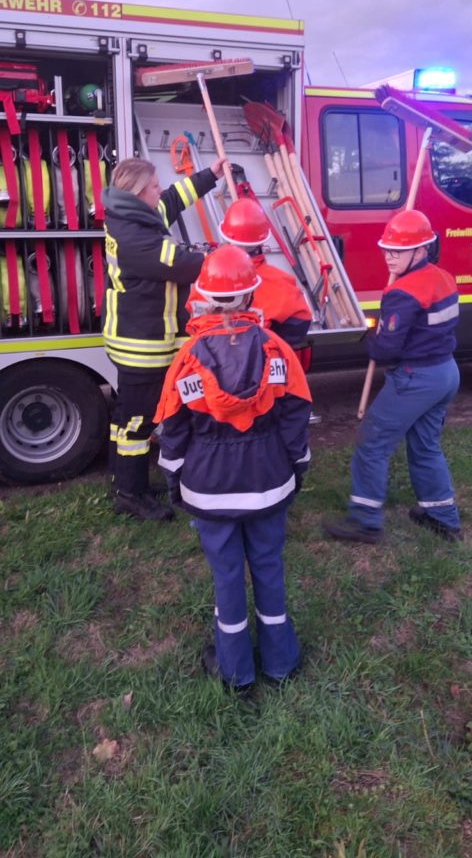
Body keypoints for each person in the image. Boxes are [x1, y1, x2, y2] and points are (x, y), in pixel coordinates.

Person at [155, 244, 312, 690]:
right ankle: (280, 663)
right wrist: (296, 467)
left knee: (226, 576)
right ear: (250, 295)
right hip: (269, 483)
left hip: (209, 490)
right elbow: (296, 416)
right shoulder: (277, 350)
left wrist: (174, 481)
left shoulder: (187, 358)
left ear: (203, 296)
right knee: (268, 566)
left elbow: (172, 429)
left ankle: (235, 671)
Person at [323, 209, 462, 544]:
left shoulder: (401, 292)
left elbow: (386, 349)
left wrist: (368, 338)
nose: (389, 257)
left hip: (416, 379)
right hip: (446, 373)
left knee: (372, 443)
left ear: (421, 250)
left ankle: (365, 520)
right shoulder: (444, 277)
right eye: (387, 249)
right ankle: (442, 517)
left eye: (398, 251)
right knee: (425, 445)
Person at [101, 154, 226, 521]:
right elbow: (185, 264)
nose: (160, 190)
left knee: (125, 417)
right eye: (154, 186)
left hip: (134, 337)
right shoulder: (135, 237)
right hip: (142, 346)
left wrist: (209, 175)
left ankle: (124, 480)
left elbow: (173, 199)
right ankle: (131, 494)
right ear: (139, 192)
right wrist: (228, 255)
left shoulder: (132, 212)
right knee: (139, 423)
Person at [187, 196, 312, 346]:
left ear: (225, 235)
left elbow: (191, 318)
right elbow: (299, 326)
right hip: (257, 356)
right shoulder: (281, 284)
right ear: (263, 239)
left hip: (207, 354)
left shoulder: (207, 277)